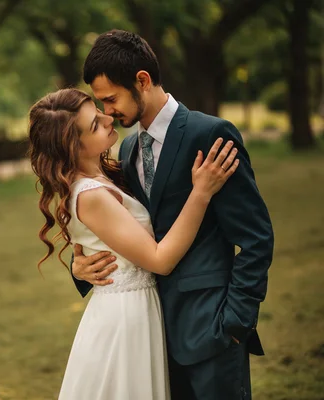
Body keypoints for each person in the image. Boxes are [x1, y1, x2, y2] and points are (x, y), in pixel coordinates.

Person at [71, 30, 275, 399]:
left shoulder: (210, 134)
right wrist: (80, 269)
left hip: (211, 331)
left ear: (142, 81)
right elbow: (123, 230)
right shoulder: (129, 148)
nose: (108, 113)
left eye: (111, 99)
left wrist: (234, 323)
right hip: (148, 338)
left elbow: (256, 238)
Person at [28, 87, 239, 399]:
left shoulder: (108, 174)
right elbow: (159, 259)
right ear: (74, 147)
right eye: (95, 124)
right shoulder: (92, 195)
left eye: (99, 110)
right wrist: (201, 193)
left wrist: (79, 263)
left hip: (137, 307)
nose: (107, 116)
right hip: (125, 317)